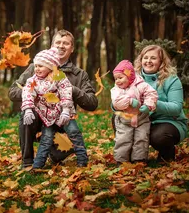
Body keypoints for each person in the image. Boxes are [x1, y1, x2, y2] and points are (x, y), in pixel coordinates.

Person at [9, 29, 98, 169]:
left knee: (58, 155)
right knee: (26, 115)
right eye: (58, 42)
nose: (61, 46)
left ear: (72, 48)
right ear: (52, 46)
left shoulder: (79, 74)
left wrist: (72, 90)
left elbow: (93, 103)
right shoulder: (36, 67)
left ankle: (59, 149)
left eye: (66, 43)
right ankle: (27, 161)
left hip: (63, 122)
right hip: (39, 119)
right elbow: (12, 92)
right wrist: (33, 92)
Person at [22, 47, 83, 169]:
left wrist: (66, 110)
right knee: (47, 138)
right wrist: (28, 109)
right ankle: (37, 166)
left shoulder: (58, 77)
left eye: (41, 66)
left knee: (74, 132)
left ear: (50, 67)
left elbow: (66, 91)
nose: (37, 69)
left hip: (65, 114)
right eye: (36, 66)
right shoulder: (32, 81)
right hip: (48, 116)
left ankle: (82, 160)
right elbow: (28, 93)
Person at [134, 45, 188, 162]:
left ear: (161, 62)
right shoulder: (133, 78)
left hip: (169, 121)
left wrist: (152, 104)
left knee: (159, 137)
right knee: (118, 118)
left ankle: (166, 154)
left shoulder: (171, 79)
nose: (148, 61)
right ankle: (133, 156)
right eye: (145, 57)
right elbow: (119, 96)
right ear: (141, 60)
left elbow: (176, 108)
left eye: (153, 58)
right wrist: (120, 104)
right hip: (143, 120)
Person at [111, 60, 158, 164]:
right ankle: (121, 160)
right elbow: (116, 102)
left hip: (142, 118)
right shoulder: (116, 89)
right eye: (116, 78)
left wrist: (148, 105)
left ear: (130, 76)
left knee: (141, 138)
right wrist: (130, 101)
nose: (118, 81)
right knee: (123, 139)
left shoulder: (141, 85)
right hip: (125, 119)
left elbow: (152, 94)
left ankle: (139, 160)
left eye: (120, 77)